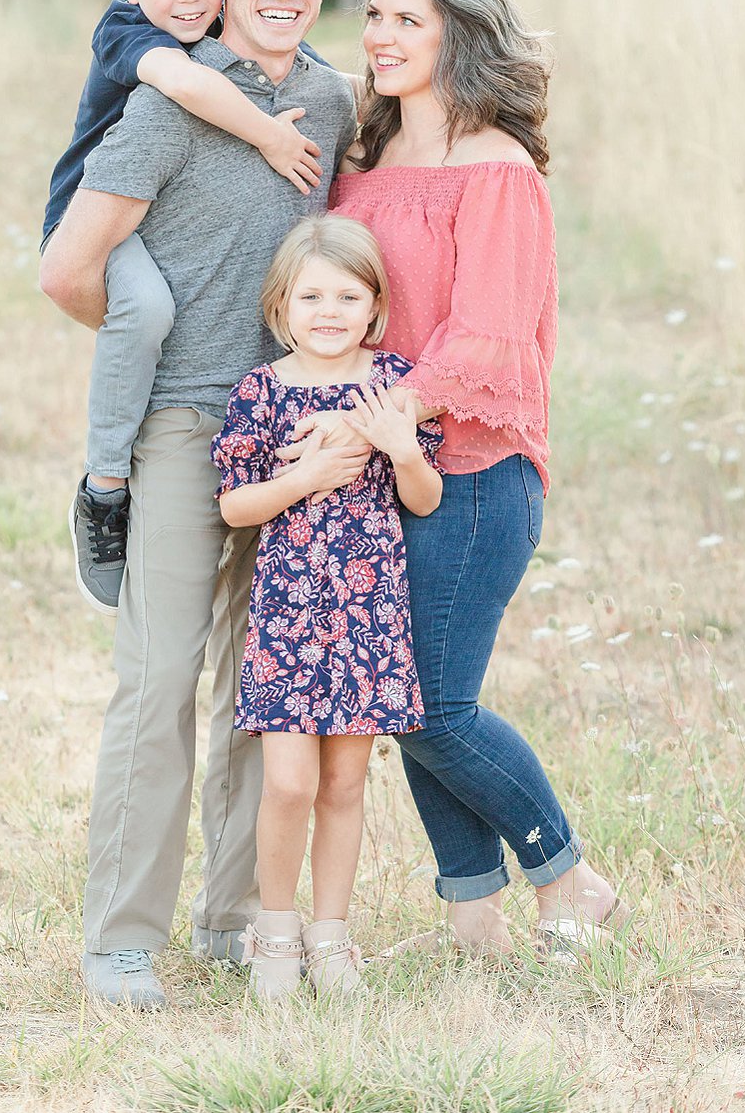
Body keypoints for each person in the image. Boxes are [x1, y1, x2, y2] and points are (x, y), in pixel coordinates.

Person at [38, 0, 356, 1009]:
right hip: (183, 422)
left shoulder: (330, 97)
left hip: (293, 426)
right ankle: (121, 936)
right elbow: (69, 269)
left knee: (259, 684)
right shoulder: (168, 99)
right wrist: (160, 352)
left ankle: (232, 917)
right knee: (158, 675)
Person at [325, 0, 628, 957]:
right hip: (378, 467)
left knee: (427, 702)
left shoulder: (496, 171)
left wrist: (378, 411)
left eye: (407, 18)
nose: (380, 36)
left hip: (471, 468)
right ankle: (472, 922)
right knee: (402, 689)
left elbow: (487, 335)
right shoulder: (361, 159)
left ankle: (567, 874)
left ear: (460, 31)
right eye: (373, 14)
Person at [43, 0, 330, 614]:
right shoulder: (129, 31)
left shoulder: (235, 33)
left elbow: (311, 69)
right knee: (145, 309)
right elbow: (180, 81)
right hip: (95, 219)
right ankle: (104, 488)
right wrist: (268, 133)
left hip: (157, 226)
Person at [209, 215, 441, 999]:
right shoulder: (263, 391)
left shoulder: (394, 384)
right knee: (288, 783)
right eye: (311, 295)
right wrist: (307, 478)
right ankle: (276, 929)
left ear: (376, 306)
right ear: (281, 307)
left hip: (368, 611)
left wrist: (402, 446)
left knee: (346, 781)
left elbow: (424, 498)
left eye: (348, 294)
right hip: (289, 613)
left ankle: (332, 935)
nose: (330, 310)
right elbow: (237, 504)